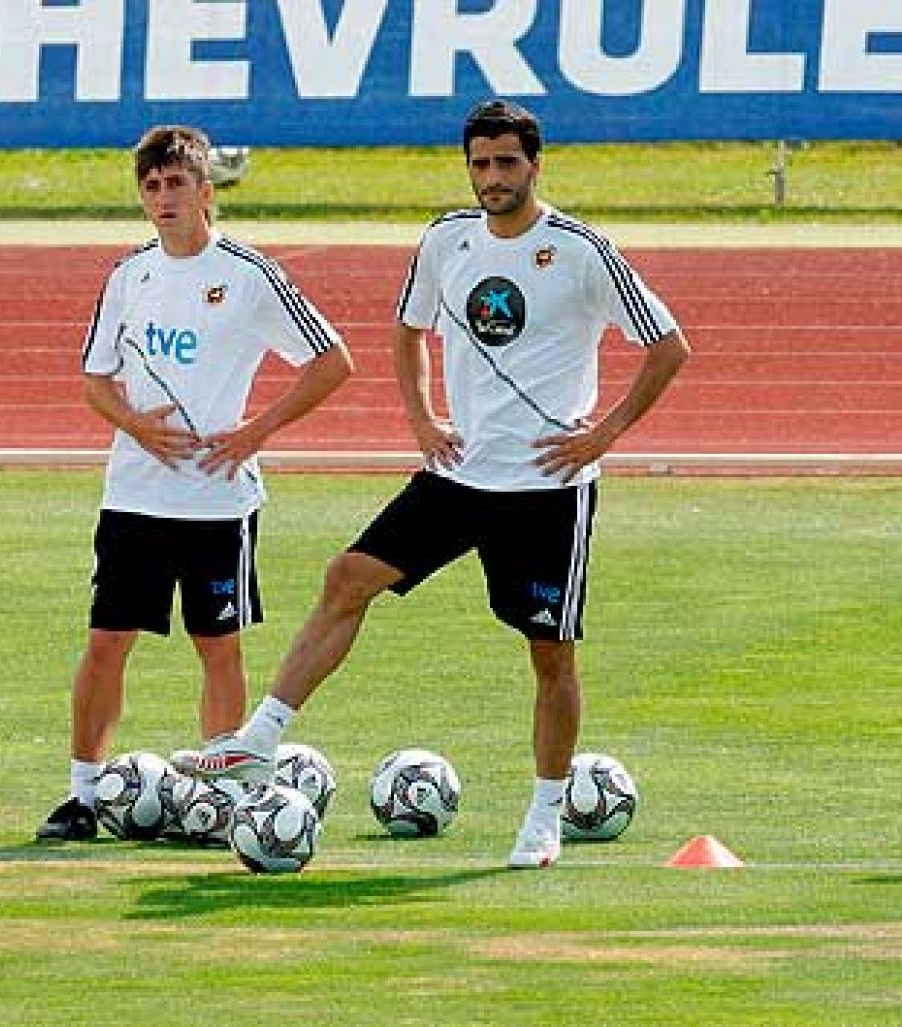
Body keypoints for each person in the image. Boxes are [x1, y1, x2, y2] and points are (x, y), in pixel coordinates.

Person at [177, 99, 690, 869]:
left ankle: (545, 815)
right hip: (458, 475)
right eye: (481, 163)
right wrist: (422, 417)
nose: (493, 176)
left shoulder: (580, 250)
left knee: (551, 655)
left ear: (535, 164)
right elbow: (409, 329)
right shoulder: (447, 240)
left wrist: (604, 433)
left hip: (547, 488)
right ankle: (260, 737)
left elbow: (668, 345)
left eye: (507, 162)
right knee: (348, 576)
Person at [37, 125, 353, 841]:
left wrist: (256, 431)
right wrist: (135, 425)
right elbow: (95, 379)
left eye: (176, 183)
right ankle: (81, 794)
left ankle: (221, 795)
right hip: (134, 496)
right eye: (151, 186)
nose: (163, 197)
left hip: (217, 500)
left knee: (218, 645)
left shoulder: (248, 275)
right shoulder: (129, 275)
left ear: (206, 191)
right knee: (107, 641)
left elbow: (333, 361)